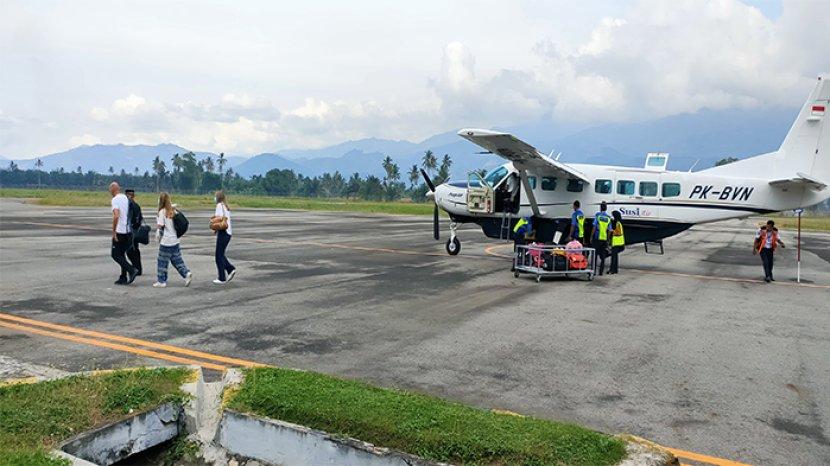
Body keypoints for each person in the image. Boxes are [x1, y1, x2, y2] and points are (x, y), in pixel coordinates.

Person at [153, 192, 193, 288]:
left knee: (162, 261)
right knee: (176, 260)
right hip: (175, 239)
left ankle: (161, 281)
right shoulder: (173, 211)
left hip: (166, 241)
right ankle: (186, 273)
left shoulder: (162, 212)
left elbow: (160, 225)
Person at [109, 182, 138, 285]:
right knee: (121, 254)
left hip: (120, 231)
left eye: (110, 189)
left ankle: (131, 270)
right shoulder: (126, 198)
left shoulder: (115, 200)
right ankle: (123, 277)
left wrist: (114, 232)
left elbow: (116, 215)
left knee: (115, 255)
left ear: (113, 189)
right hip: (128, 231)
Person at [212, 190, 236, 284]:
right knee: (221, 254)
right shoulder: (225, 206)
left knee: (218, 256)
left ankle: (222, 277)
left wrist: (214, 225)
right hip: (228, 233)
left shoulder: (219, 206)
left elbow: (219, 218)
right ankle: (230, 269)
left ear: (218, 197)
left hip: (223, 232)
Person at [125, 189, 144, 276]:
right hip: (136, 230)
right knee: (136, 250)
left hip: (130, 231)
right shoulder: (137, 205)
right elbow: (140, 218)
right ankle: (138, 268)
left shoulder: (129, 206)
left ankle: (135, 268)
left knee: (130, 251)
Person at [592, 201, 613, 275]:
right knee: (603, 256)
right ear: (606, 208)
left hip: (597, 237)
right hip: (604, 238)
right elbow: (610, 230)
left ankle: (594, 271)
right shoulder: (608, 217)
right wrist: (608, 239)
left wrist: (591, 236)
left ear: (600, 208)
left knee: (595, 255)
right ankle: (601, 272)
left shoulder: (598, 216)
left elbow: (594, 227)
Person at [608, 210, 625, 274]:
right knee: (615, 257)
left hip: (616, 243)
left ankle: (612, 270)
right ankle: (615, 270)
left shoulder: (618, 223)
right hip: (619, 242)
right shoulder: (619, 222)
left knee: (614, 257)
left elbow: (618, 232)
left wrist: (612, 231)